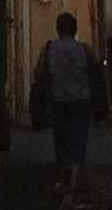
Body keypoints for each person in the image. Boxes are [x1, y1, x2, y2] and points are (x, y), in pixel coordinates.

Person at [36, 11, 97, 180]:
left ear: (57, 29)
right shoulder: (84, 49)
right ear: (75, 29)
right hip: (81, 100)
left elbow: (38, 73)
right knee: (79, 140)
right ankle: (75, 179)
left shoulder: (49, 49)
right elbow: (94, 73)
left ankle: (64, 176)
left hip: (58, 100)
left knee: (61, 141)